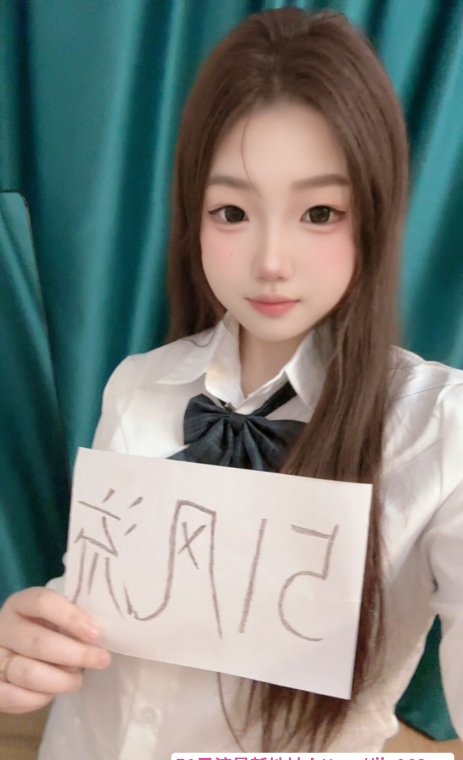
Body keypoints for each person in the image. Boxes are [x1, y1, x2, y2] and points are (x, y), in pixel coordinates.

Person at [0, 7, 462, 758]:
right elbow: (105, 586)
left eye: (319, 212)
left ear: (375, 216)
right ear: (194, 217)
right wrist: (34, 630)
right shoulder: (138, 385)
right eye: (232, 211)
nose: (270, 260)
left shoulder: (439, 426)